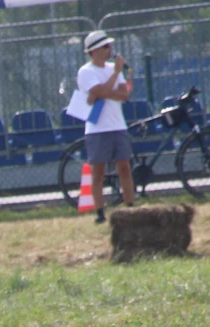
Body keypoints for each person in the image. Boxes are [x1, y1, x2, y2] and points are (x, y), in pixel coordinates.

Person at [77, 30, 135, 224]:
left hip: (118, 126)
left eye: (109, 46)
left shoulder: (112, 68)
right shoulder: (86, 71)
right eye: (105, 47)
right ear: (93, 51)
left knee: (124, 168)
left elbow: (124, 94)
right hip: (97, 129)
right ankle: (100, 213)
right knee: (98, 172)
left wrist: (101, 93)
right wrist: (114, 77)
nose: (110, 49)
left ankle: (130, 208)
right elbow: (100, 92)